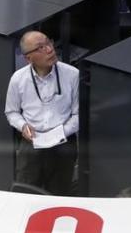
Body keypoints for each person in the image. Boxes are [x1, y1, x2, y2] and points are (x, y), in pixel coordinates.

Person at [5, 30, 79, 195]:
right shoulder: (18, 79)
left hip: (63, 143)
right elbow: (11, 112)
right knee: (25, 193)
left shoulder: (72, 74)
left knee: (59, 195)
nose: (49, 49)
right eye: (40, 47)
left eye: (49, 43)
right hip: (32, 144)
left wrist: (59, 133)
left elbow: (78, 115)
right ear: (28, 58)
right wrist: (23, 126)